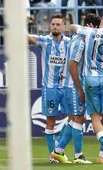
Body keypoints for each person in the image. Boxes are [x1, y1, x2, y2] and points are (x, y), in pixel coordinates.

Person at [68, 14, 103, 163]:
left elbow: (73, 28)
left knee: (95, 117)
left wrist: (72, 26)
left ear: (101, 23)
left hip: (90, 77)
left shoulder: (90, 32)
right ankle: (102, 155)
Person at [51, 13, 101, 164]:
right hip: (73, 85)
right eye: (97, 28)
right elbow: (72, 65)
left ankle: (58, 151)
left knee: (74, 118)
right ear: (92, 26)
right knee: (78, 118)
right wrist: (79, 88)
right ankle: (78, 155)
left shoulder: (78, 37)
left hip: (70, 84)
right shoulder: (80, 40)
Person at [28, 13, 72, 163]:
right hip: (49, 88)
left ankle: (59, 148)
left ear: (64, 27)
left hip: (66, 87)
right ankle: (53, 155)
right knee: (50, 121)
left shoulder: (70, 43)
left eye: (58, 24)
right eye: (52, 24)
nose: (54, 26)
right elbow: (29, 37)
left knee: (73, 119)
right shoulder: (45, 41)